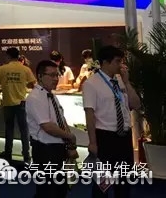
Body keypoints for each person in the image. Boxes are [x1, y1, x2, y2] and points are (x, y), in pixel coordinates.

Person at [83, 46, 141, 198]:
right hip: (105, 137)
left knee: (123, 182)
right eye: (117, 61)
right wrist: (92, 142)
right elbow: (89, 114)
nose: (121, 65)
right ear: (105, 62)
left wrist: (127, 83)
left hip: (124, 136)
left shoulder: (121, 81)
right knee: (103, 184)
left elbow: (136, 105)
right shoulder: (91, 83)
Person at [26, 60, 78, 198]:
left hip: (57, 148)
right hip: (45, 149)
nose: (56, 79)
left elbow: (61, 119)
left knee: (59, 189)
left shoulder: (51, 95)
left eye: (57, 75)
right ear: (40, 76)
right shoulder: (35, 97)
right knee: (47, 190)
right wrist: (69, 136)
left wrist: (70, 144)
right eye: (52, 75)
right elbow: (47, 127)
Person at [0, 47, 36, 163]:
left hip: (7, 103)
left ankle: (8, 153)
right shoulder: (25, 69)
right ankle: (26, 155)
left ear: (8, 56)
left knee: (9, 130)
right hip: (22, 103)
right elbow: (34, 84)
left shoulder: (2, 69)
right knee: (24, 130)